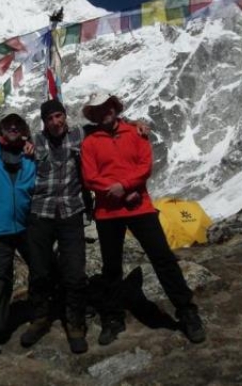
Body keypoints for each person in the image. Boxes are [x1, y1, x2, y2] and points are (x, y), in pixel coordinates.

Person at [20, 99, 151, 354]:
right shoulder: (34, 141)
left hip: (71, 212)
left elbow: (109, 124)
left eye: (59, 116)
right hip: (40, 212)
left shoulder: (80, 134)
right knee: (39, 271)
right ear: (44, 122)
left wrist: (135, 123)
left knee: (75, 272)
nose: (56, 122)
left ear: (65, 116)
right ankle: (40, 319)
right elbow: (5, 143)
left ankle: (75, 324)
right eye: (50, 118)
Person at [80, 92, 206, 346]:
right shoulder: (89, 142)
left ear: (114, 108)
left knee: (163, 258)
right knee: (111, 267)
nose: (104, 111)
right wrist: (118, 190)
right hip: (108, 211)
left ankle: (187, 311)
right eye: (98, 109)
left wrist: (124, 186)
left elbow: (145, 166)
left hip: (140, 207)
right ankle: (113, 318)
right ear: (93, 115)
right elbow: (90, 177)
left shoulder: (136, 133)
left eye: (107, 106)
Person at [0, 112, 36, 355]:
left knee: (42, 268)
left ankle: (42, 314)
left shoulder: (31, 154)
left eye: (17, 125)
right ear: (0, 129)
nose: (13, 128)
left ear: (23, 131)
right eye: (8, 125)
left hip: (25, 224)